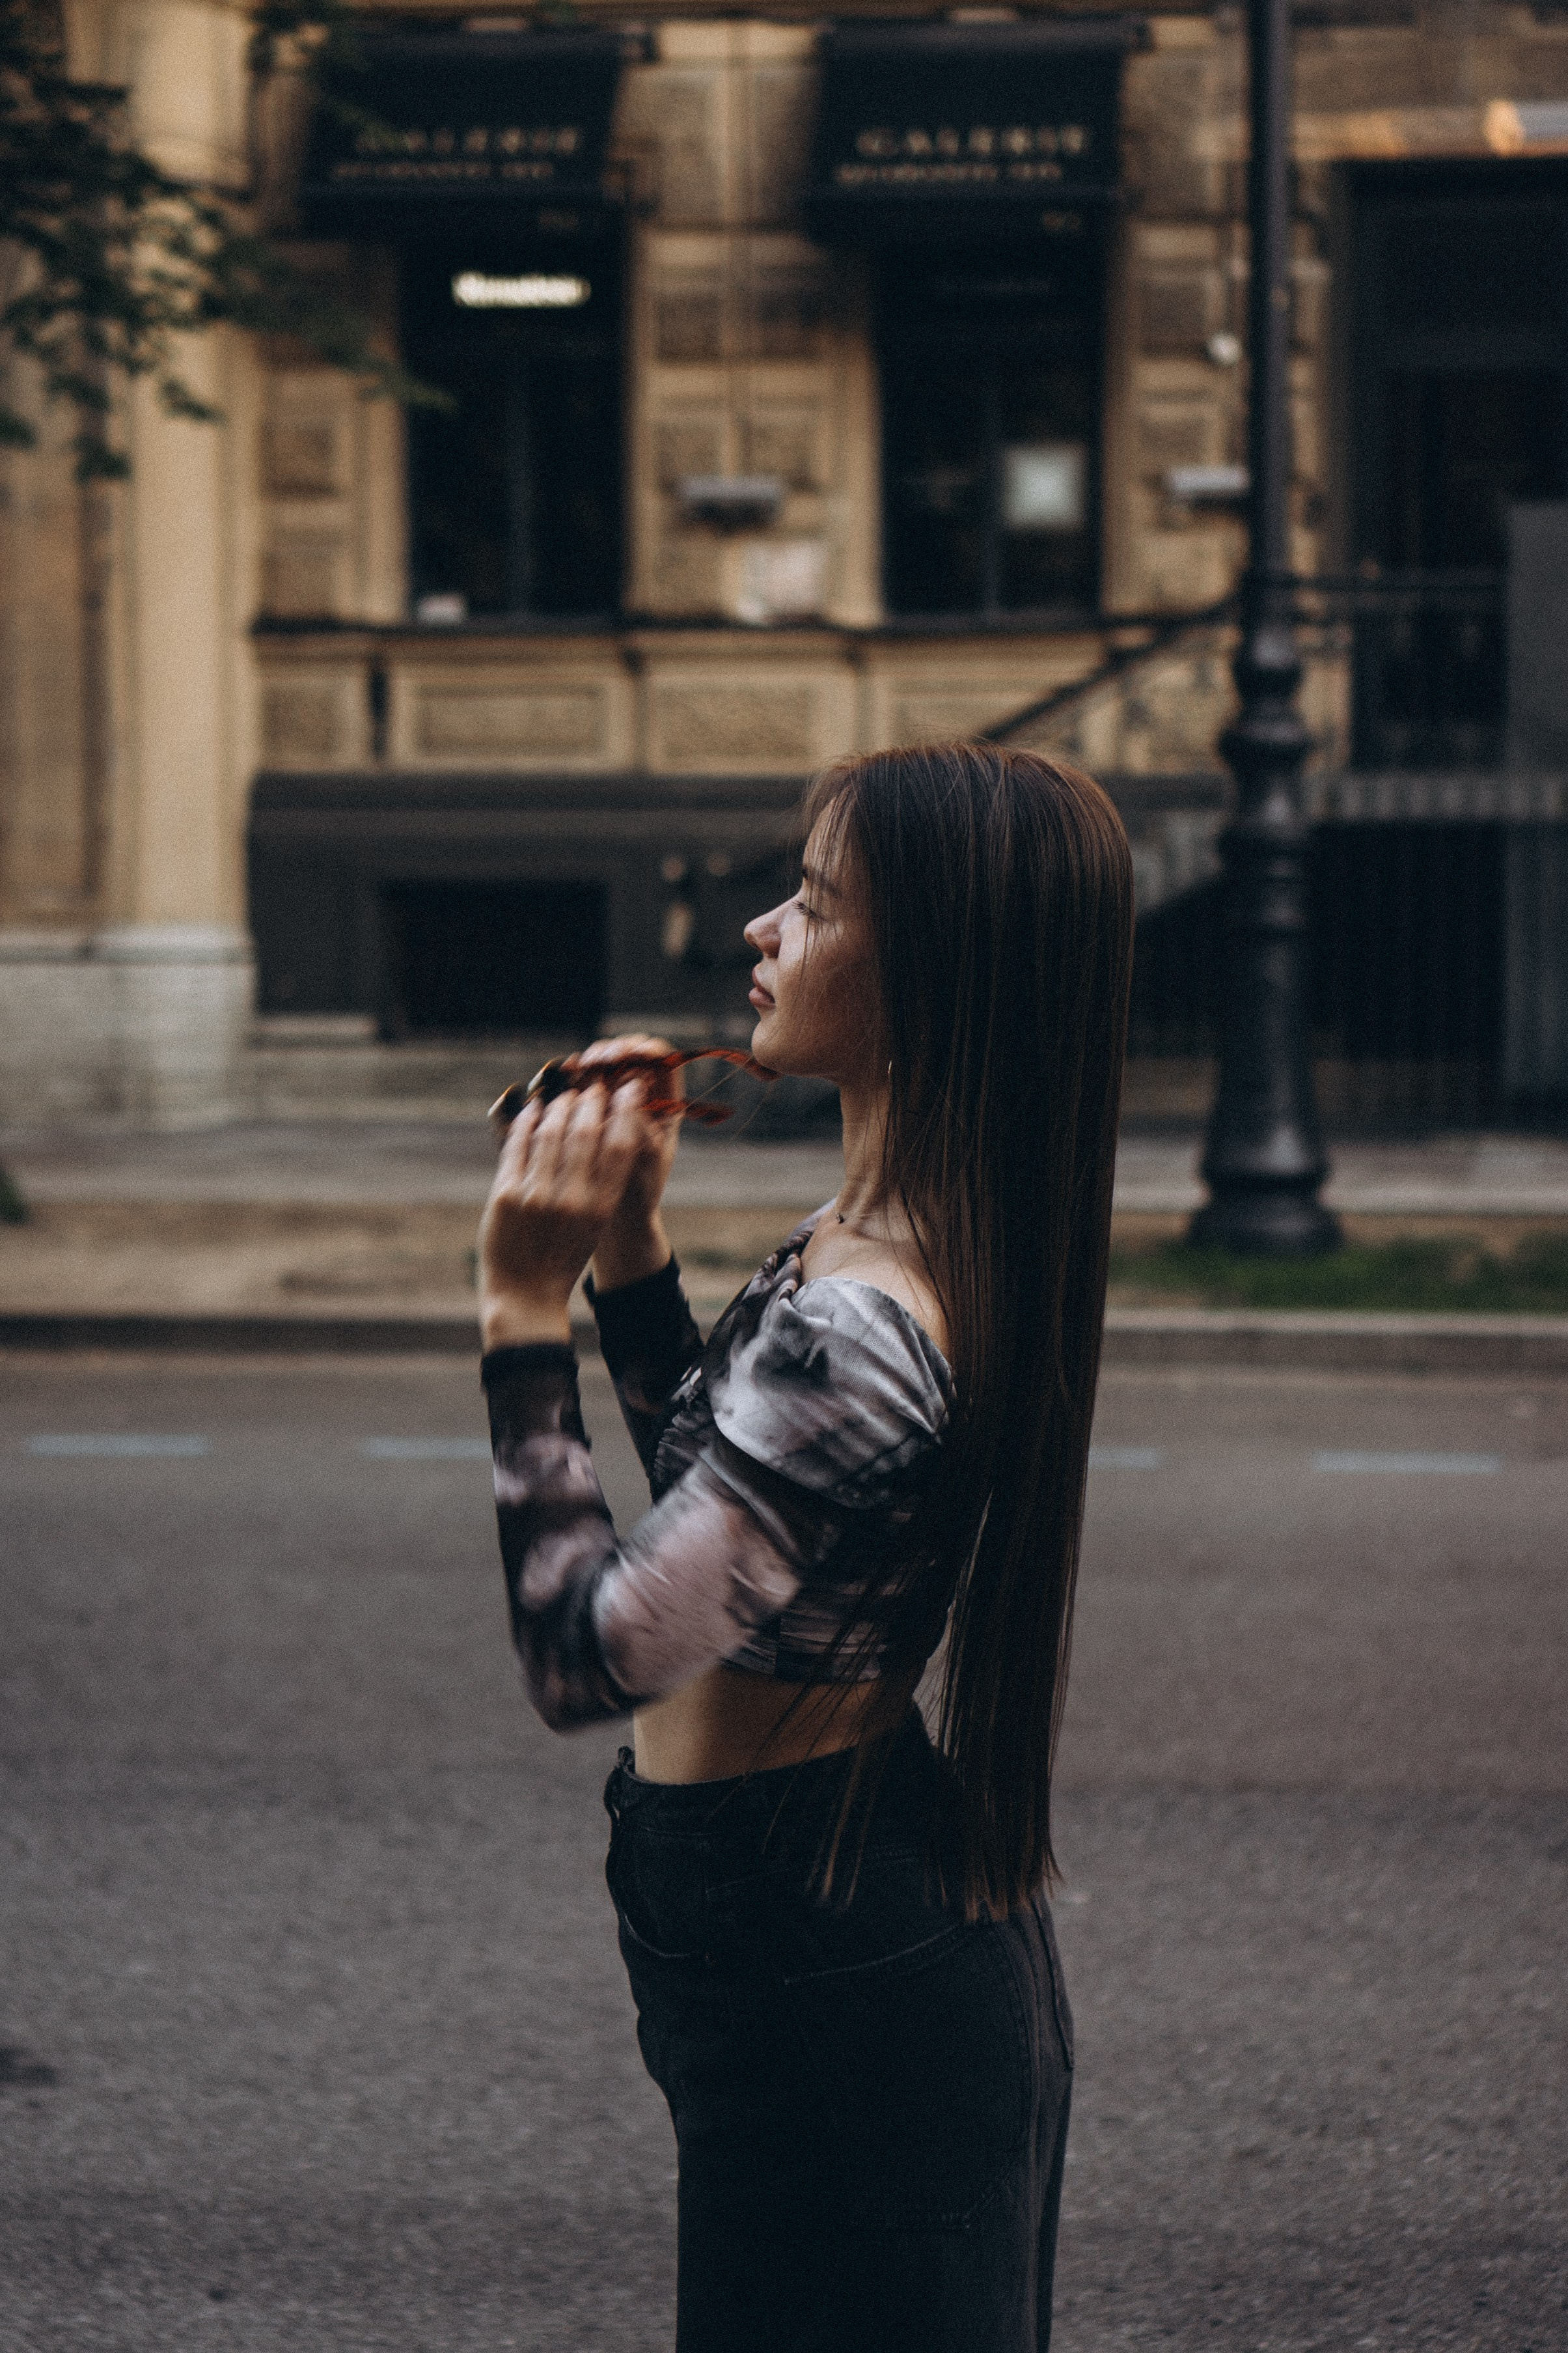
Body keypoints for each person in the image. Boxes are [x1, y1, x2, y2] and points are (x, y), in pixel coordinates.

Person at [476, 741, 1134, 2352]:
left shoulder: (866, 1313)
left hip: (837, 1969)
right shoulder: (883, 1235)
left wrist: (515, 1311)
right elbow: (737, 1541)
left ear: (927, 973)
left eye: (814, 905)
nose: (760, 930)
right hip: (814, 1925)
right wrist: (629, 1253)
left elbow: (596, 1650)